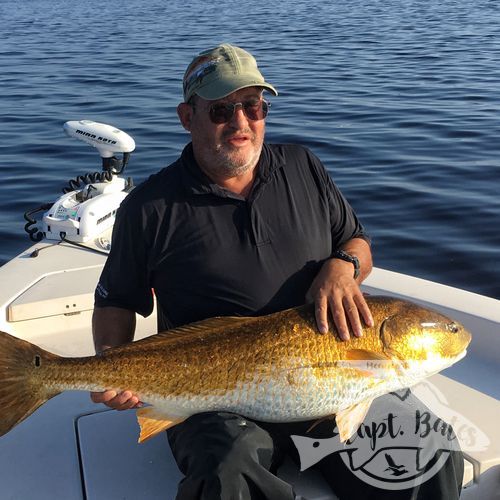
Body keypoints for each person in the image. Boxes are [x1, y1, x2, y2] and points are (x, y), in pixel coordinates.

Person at [91, 44, 463, 500]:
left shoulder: (304, 167)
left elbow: (357, 241)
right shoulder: (149, 208)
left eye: (253, 106)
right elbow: (116, 300)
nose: (241, 122)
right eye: (221, 110)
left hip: (332, 386)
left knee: (429, 454)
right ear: (187, 117)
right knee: (224, 473)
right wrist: (109, 366)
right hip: (214, 398)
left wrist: (344, 266)